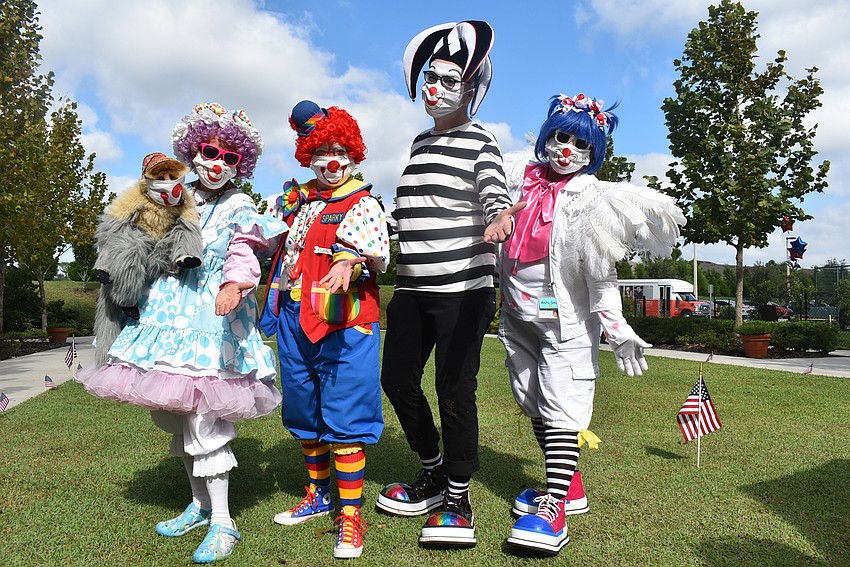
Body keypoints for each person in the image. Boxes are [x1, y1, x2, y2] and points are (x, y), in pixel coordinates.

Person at [78, 102, 287, 564]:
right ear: (195, 150)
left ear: (240, 165)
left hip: (211, 320)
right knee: (174, 413)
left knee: (205, 420)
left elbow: (246, 248)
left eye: (230, 158)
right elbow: (137, 225)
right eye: (210, 151)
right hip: (165, 316)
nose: (217, 163)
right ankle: (197, 504)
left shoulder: (240, 205)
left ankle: (223, 522)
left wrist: (235, 282)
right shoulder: (178, 196)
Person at [499, 93, 685, 554]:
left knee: (563, 410)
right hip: (516, 315)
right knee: (533, 402)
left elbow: (602, 280)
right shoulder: (518, 177)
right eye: (561, 137)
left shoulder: (592, 200)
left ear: (592, 154)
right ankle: (571, 485)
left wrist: (618, 330)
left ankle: (554, 509)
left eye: (581, 146)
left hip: (565, 324)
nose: (567, 150)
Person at [375, 20, 524, 548]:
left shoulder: (480, 140)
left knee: (454, 389)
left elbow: (493, 188)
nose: (435, 88)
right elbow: (405, 213)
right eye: (430, 78)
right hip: (413, 288)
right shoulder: (418, 142)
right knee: (396, 379)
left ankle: (459, 496)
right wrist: (364, 238)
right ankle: (434, 469)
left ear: (472, 89)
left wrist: (500, 215)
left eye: (449, 80)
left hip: (464, 288)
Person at [260, 100, 389, 559]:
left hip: (345, 322)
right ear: (308, 155)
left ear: (353, 155)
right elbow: (270, 247)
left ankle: (350, 514)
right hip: (295, 321)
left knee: (346, 414)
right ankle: (318, 495)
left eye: (339, 151)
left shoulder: (363, 203)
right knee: (304, 410)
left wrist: (347, 262)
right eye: (321, 152)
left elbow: (368, 250)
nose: (331, 161)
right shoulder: (297, 203)